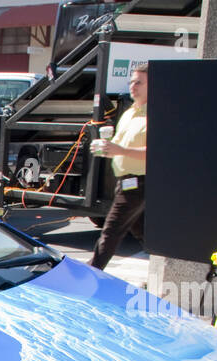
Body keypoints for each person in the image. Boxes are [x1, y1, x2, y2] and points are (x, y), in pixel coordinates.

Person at [88, 64, 148, 271]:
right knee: (143, 233)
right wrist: (107, 148)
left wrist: (120, 150)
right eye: (131, 81)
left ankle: (91, 271)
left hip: (138, 181)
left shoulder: (155, 114)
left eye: (139, 82)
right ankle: (171, 265)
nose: (133, 86)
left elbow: (154, 153)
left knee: (111, 230)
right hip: (124, 180)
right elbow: (121, 146)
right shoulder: (130, 112)